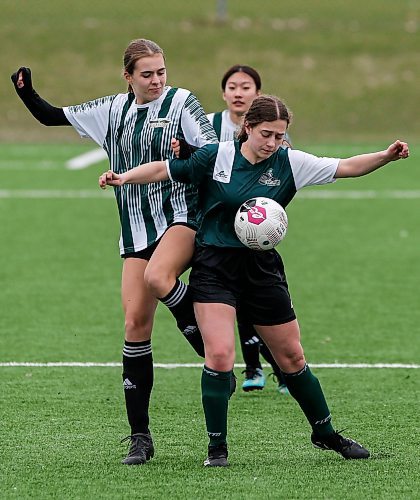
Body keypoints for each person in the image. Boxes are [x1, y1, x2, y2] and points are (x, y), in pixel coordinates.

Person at [99, 94, 410, 466]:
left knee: (292, 357)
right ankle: (217, 449)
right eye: (266, 134)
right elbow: (164, 170)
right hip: (215, 265)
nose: (272, 143)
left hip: (261, 270)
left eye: (280, 136)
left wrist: (385, 156)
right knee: (219, 354)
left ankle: (325, 433)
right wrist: (124, 177)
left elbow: (346, 166)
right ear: (247, 127)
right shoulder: (217, 156)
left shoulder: (290, 163)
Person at [11, 38, 219, 466]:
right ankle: (140, 437)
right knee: (134, 324)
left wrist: (189, 151)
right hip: (134, 228)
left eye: (161, 71)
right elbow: (53, 117)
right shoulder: (112, 110)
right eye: (147, 74)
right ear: (128, 77)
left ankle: (193, 321)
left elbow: (215, 152)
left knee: (159, 277)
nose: (157, 80)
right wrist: (26, 92)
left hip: (182, 214)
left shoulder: (181, 102)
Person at [208, 64, 290, 393]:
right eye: (232, 86)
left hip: (256, 227)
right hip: (217, 229)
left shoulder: (276, 136)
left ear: (258, 95)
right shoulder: (210, 126)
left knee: (260, 302)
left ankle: (279, 366)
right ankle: (253, 366)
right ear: (223, 93)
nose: (238, 92)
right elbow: (199, 161)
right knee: (230, 301)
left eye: (246, 87)